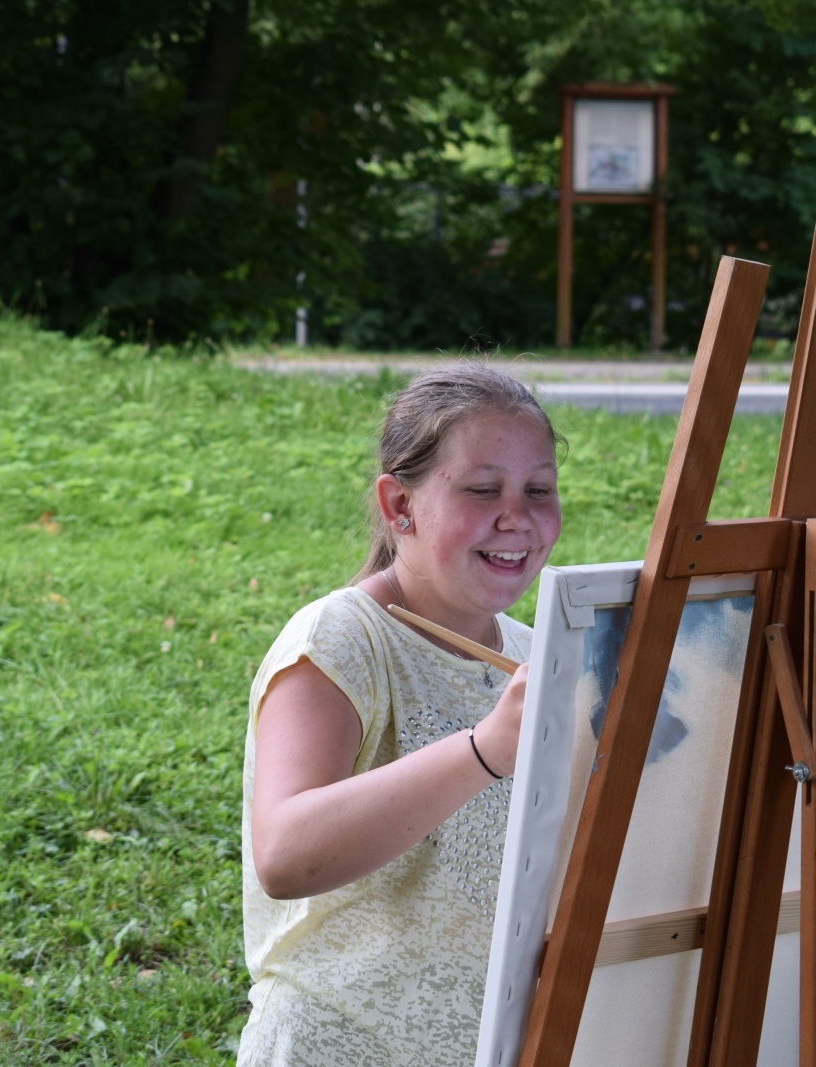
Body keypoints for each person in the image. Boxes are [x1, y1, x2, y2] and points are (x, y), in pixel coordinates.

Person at [237, 363, 564, 1066]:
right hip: (337, 1045)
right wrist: (485, 749)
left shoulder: (539, 657)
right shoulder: (343, 637)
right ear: (399, 506)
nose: (518, 515)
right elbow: (285, 853)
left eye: (539, 489)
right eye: (483, 489)